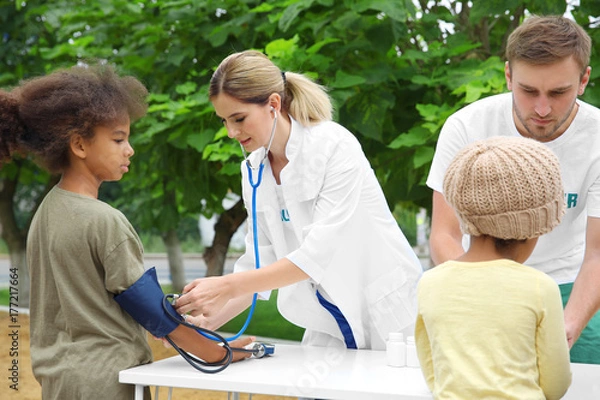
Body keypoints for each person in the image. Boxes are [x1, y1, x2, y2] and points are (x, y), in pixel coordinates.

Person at [0, 64, 253, 400]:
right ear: (78, 145)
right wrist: (219, 353)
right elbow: (153, 313)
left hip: (60, 383)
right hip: (108, 384)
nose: (129, 149)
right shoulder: (104, 220)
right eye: (118, 138)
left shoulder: (46, 213)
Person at [174, 50, 423, 350]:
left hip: (390, 315)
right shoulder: (252, 170)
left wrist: (225, 287)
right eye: (224, 121)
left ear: (273, 105)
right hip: (327, 322)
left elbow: (315, 256)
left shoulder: (335, 146)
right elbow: (259, 263)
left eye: (239, 118)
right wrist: (206, 323)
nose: (230, 132)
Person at [426, 15, 600, 364]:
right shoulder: (466, 126)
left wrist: (567, 327)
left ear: (583, 80)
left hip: (567, 287)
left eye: (558, 92)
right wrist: (487, 299)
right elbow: (444, 234)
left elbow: (598, 253)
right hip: (477, 283)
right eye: (528, 90)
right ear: (508, 76)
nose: (542, 109)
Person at [417, 136, 572, 399]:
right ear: (531, 229)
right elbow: (555, 385)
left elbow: (433, 372)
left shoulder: (430, 283)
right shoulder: (539, 287)